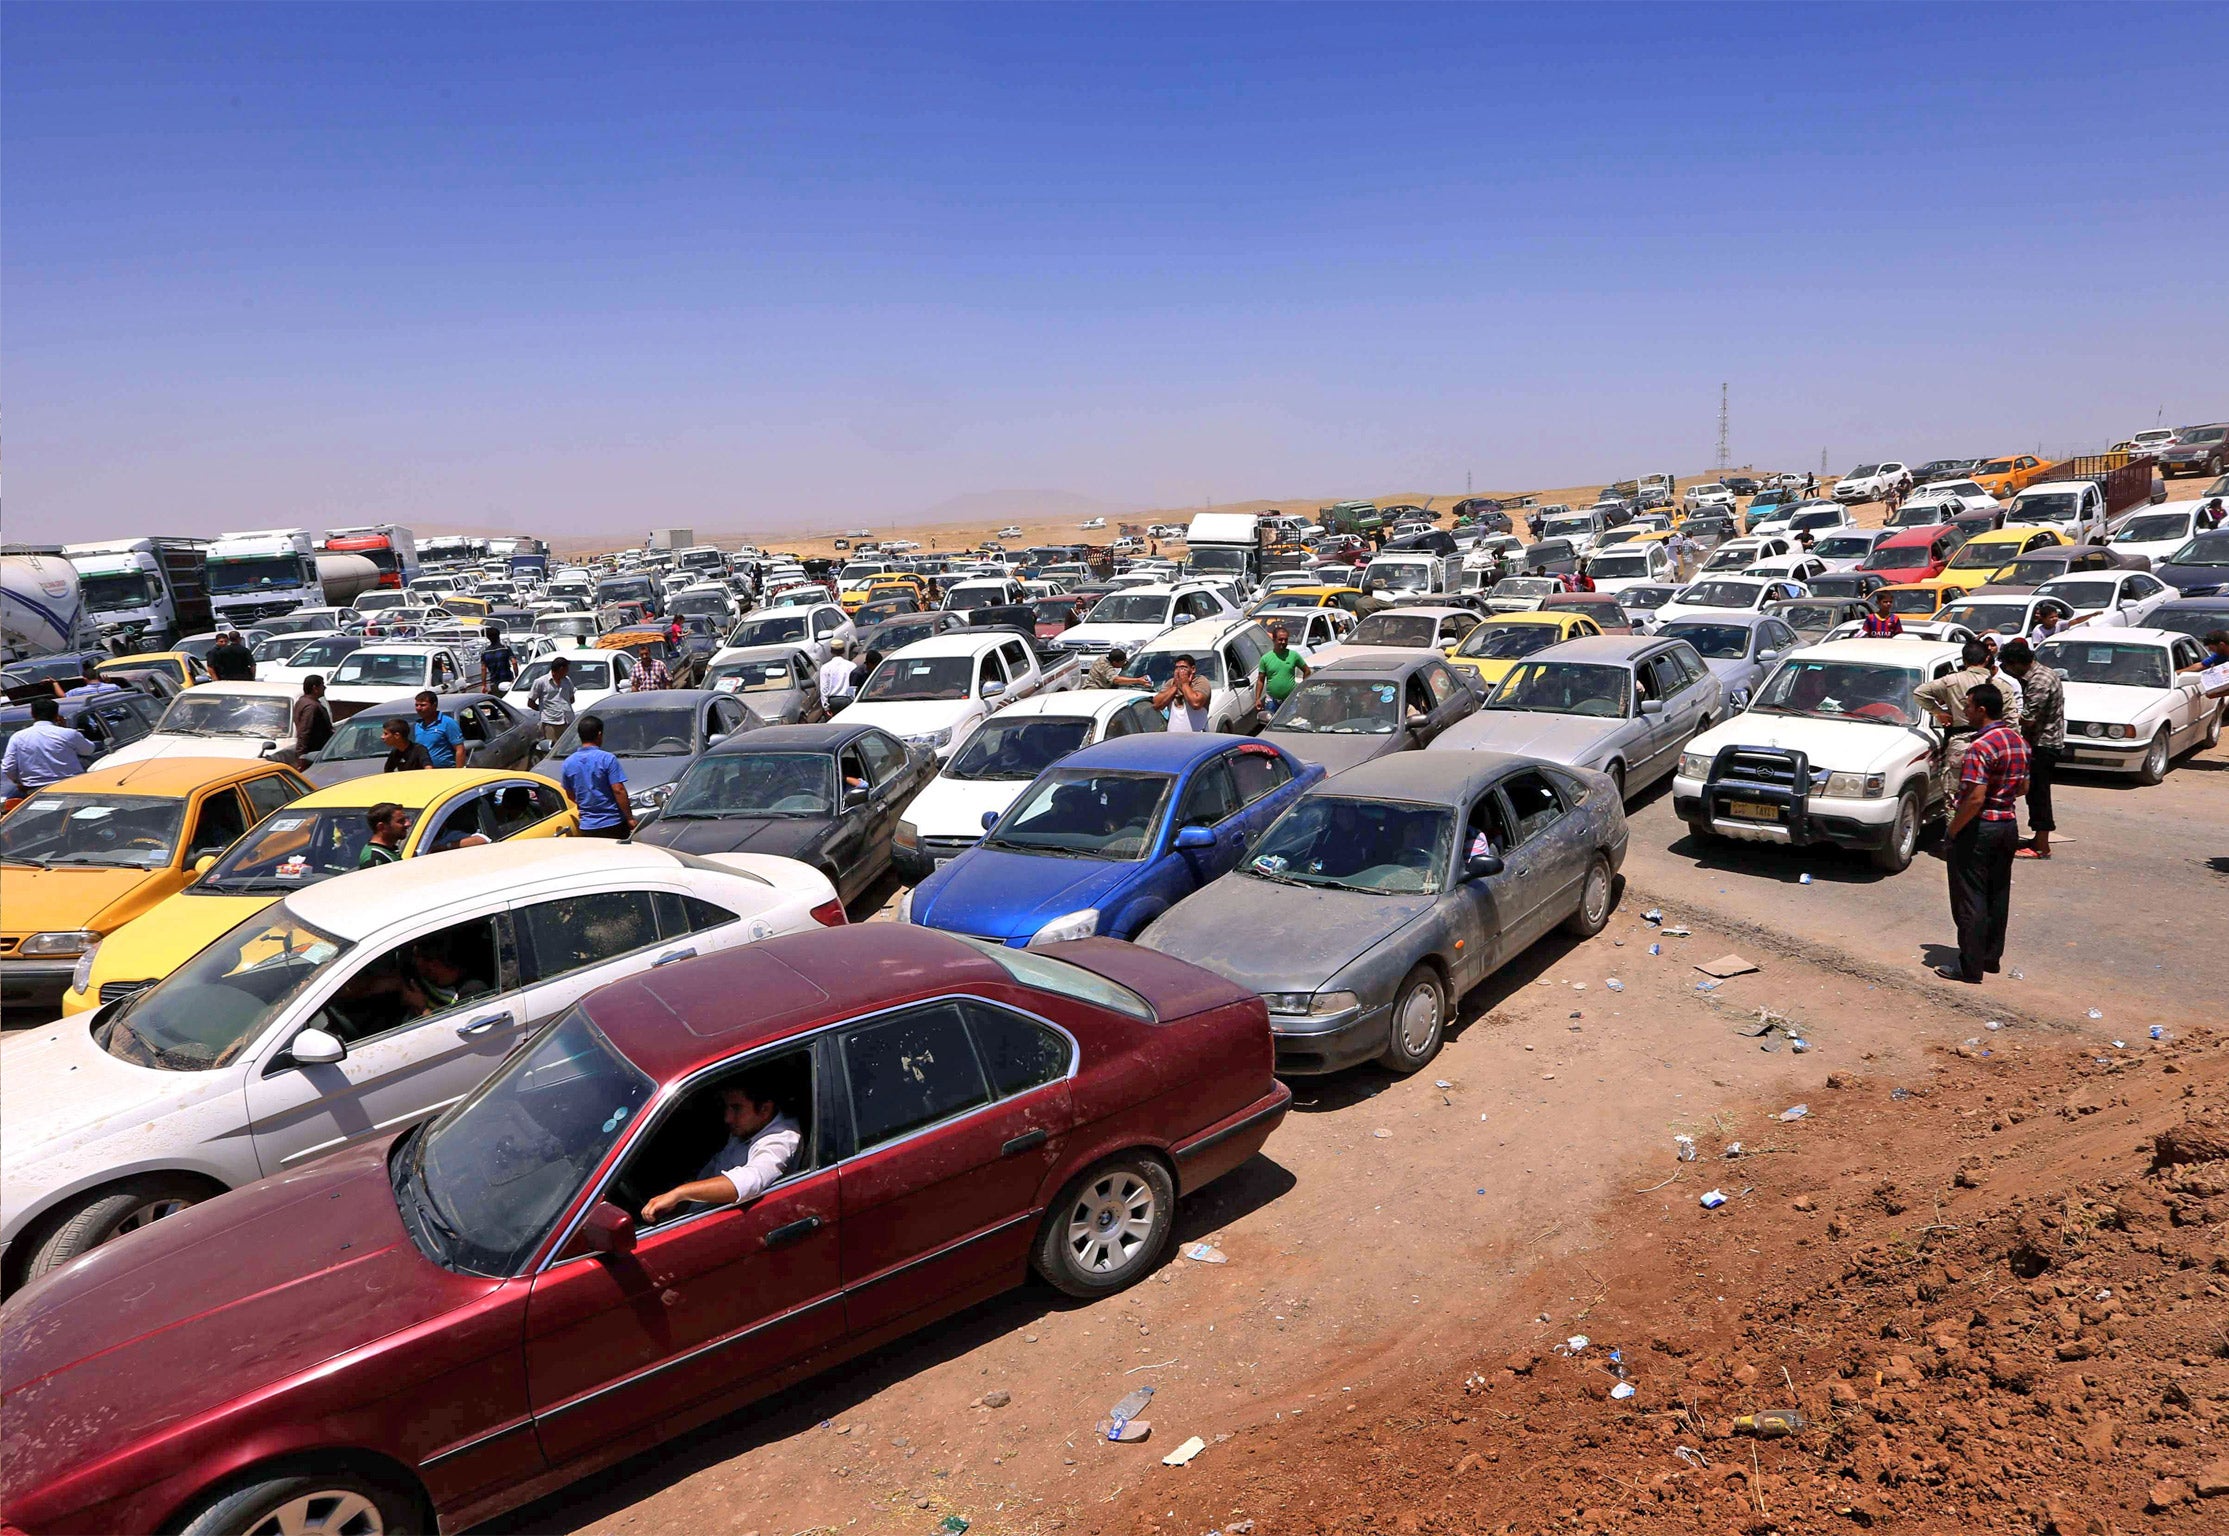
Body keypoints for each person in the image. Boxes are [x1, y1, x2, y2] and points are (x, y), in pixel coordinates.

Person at [1936, 682, 2029, 985]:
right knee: (1997, 893)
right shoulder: (2016, 741)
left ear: (1982, 709)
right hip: (2007, 825)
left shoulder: (1980, 747)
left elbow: (1975, 798)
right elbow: (2025, 787)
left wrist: (1952, 829)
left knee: (1970, 898)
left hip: (1980, 828)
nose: (1965, 710)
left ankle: (1969, 967)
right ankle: (1990, 958)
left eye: (1968, 705)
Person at [639, 1074, 803, 1225]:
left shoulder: (780, 1141)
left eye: (736, 1108)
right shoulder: (749, 1127)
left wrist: (679, 1193)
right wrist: (682, 1201)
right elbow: (718, 1163)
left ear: (765, 1109)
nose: (727, 1118)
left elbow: (751, 1180)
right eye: (727, 1107)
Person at [1915, 639, 2000, 812]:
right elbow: (2012, 719)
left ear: (1964, 661)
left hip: (1960, 744)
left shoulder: (1951, 680)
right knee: (1989, 796)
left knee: (1954, 799)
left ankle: (1955, 835)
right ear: (1986, 659)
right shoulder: (1999, 685)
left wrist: (1938, 712)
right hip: (1993, 743)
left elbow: (1919, 693)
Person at [1998, 638, 2062, 860]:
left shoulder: (2039, 681)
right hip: (2041, 742)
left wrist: (2003, 717)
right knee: (2035, 792)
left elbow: (2028, 719)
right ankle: (2038, 838)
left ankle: (2042, 846)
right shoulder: (2039, 675)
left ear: (2016, 663)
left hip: (2043, 744)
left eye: (2008, 667)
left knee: (2038, 793)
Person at [0, 697, 94, 799]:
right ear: (56, 715)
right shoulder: (68, 733)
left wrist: (19, 781)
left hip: (34, 791)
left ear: (32, 714)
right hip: (69, 786)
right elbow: (88, 750)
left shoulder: (18, 737)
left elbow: (8, 766)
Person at [559, 713, 634, 838]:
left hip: (587, 826)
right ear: (599, 734)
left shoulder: (568, 762)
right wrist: (630, 818)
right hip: (613, 823)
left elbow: (570, 794)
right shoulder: (607, 759)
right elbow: (618, 790)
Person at [1253, 621, 1312, 720]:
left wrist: (1303, 689)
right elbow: (1260, 680)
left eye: (1286, 640)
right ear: (1274, 640)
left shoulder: (1294, 655)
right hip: (1272, 700)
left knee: (1289, 723)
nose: (1283, 642)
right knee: (1270, 724)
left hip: (1290, 700)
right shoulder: (1265, 658)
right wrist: (1258, 699)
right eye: (1280, 640)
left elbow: (1307, 671)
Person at [1154, 654, 1213, 732]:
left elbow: (1196, 703)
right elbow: (1157, 704)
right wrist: (1175, 686)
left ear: (1193, 669)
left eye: (1183, 668)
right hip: (1174, 737)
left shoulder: (1201, 681)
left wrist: (1184, 684)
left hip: (1198, 736)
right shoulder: (1171, 683)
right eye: (1177, 668)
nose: (1179, 671)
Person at [410, 690, 467, 768]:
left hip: (445, 772)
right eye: (417, 705)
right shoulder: (418, 725)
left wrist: (458, 773)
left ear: (434, 705)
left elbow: (460, 750)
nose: (418, 708)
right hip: (423, 772)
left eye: (423, 705)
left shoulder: (448, 723)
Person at [528, 656, 577, 744]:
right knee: (553, 748)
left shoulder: (567, 680)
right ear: (561, 669)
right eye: (566, 669)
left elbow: (571, 698)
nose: (567, 671)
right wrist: (545, 710)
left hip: (567, 720)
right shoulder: (541, 682)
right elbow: (531, 702)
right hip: (551, 722)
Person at [291, 675, 334, 757]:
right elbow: (305, 731)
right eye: (322, 685)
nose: (324, 688)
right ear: (315, 688)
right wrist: (301, 755)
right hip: (313, 754)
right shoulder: (311, 707)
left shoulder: (302, 701)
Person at [358, 802, 411, 866]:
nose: (408, 824)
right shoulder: (375, 859)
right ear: (381, 827)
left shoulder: (390, 849)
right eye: (401, 821)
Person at [478, 625, 517, 694]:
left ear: (488, 638)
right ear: (498, 636)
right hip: (508, 680)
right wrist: (516, 677)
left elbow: (483, 669)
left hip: (494, 682)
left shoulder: (485, 652)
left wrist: (484, 685)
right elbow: (514, 662)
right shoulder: (505, 649)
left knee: (499, 703)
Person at [818, 639, 855, 709]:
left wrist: (825, 706)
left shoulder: (825, 667)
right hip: (848, 700)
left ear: (831, 651)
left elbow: (824, 688)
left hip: (833, 701)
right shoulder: (851, 665)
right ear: (844, 651)